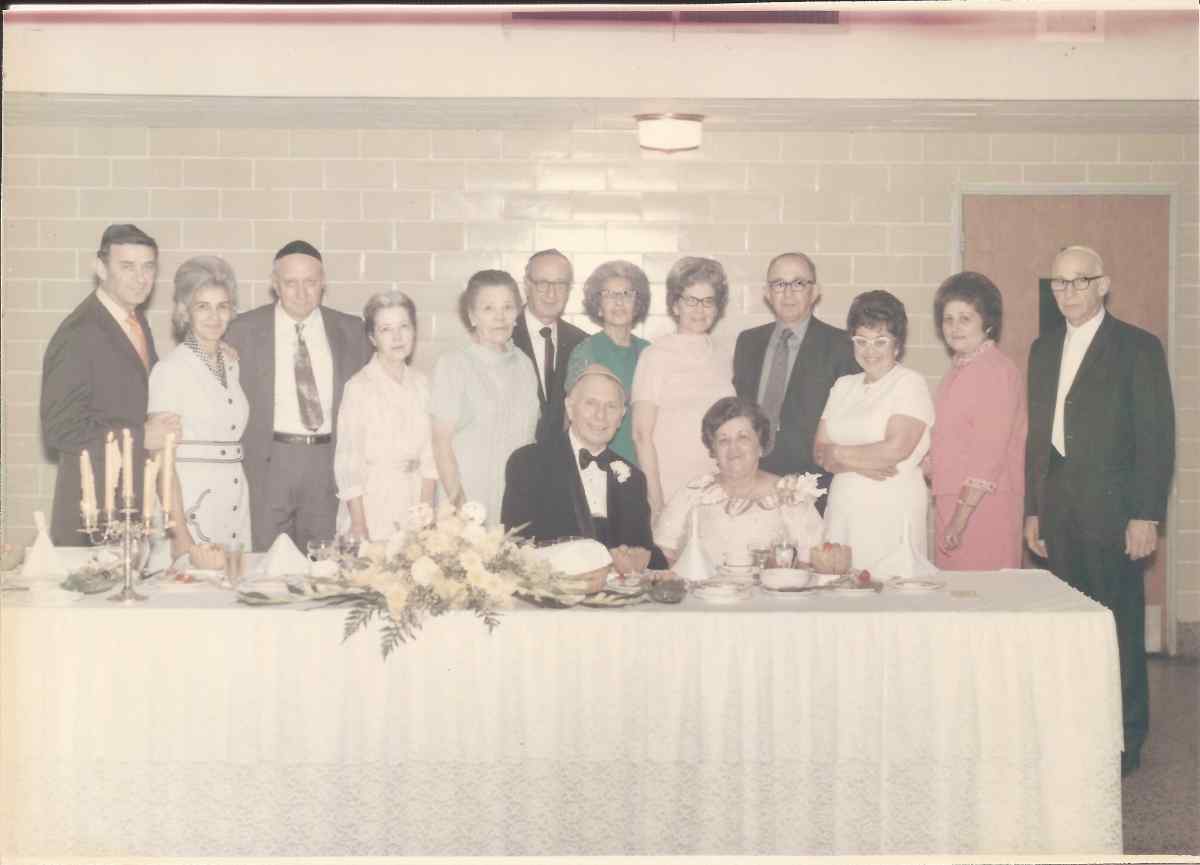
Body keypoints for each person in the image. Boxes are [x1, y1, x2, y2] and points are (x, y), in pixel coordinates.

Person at [1025, 245, 1175, 777]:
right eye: (1059, 283)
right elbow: (1036, 441)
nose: (1068, 293)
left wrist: (1145, 515)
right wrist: (1033, 510)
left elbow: (1157, 440)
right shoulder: (1043, 351)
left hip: (1115, 516)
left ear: (1103, 284)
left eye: (1079, 281)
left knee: (1119, 628)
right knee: (1070, 630)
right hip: (1059, 515)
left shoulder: (1137, 348)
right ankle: (1076, 730)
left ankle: (1126, 739)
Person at [224, 240, 370, 552]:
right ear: (274, 284)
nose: (301, 293)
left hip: (327, 463)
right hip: (269, 462)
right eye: (290, 283)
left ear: (324, 284)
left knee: (325, 566)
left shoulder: (352, 331)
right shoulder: (242, 330)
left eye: (311, 282)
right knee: (266, 565)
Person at [41, 223, 181, 545]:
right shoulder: (79, 332)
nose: (140, 278)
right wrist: (141, 436)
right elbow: (60, 429)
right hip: (91, 513)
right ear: (101, 268)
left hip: (129, 502)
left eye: (148, 267)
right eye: (127, 266)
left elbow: (142, 390)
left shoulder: (133, 319)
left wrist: (210, 350)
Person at [502, 364, 667, 573]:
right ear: (570, 408)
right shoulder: (528, 463)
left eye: (611, 406)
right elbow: (516, 547)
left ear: (622, 416)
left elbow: (644, 552)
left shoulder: (633, 478)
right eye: (591, 403)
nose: (601, 416)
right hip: (553, 597)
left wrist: (644, 559)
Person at [814, 290, 935, 572]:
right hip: (843, 510)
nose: (870, 350)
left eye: (881, 341)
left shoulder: (909, 384)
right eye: (861, 341)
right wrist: (860, 459)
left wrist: (840, 455)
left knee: (891, 601)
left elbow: (894, 451)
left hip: (890, 511)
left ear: (898, 344)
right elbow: (819, 452)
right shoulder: (843, 386)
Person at [732, 252, 859, 513]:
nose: (787, 293)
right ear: (767, 292)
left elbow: (851, 423)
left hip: (815, 489)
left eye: (798, 283)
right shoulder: (747, 342)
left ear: (815, 292)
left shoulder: (841, 346)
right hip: (752, 484)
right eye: (779, 284)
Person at [148, 256, 251, 555]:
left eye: (222, 306)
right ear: (184, 311)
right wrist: (180, 535)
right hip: (191, 508)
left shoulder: (230, 363)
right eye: (202, 306)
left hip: (234, 502)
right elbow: (162, 463)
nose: (214, 316)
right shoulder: (170, 370)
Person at [927, 272, 1027, 569]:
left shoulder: (996, 371)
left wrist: (959, 519)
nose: (954, 328)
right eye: (948, 319)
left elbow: (988, 455)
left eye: (965, 318)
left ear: (987, 322)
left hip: (983, 508)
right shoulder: (958, 369)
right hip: (953, 503)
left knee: (983, 603)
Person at [654, 397, 825, 568]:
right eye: (723, 440)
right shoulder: (693, 493)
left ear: (760, 445)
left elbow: (813, 559)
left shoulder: (789, 494)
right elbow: (663, 555)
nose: (733, 449)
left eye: (743, 438)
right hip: (703, 593)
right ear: (713, 450)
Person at [430, 270, 540, 526]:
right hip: (467, 505)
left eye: (508, 307)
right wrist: (462, 508)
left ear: (517, 313)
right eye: (488, 308)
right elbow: (440, 444)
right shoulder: (453, 365)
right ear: (472, 315)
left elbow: (529, 440)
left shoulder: (524, 365)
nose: (500, 317)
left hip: (515, 503)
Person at [631, 256, 735, 517]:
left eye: (708, 301)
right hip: (670, 487)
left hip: (717, 488)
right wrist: (656, 502)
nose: (699, 309)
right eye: (691, 300)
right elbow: (641, 435)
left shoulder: (724, 357)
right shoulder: (655, 355)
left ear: (717, 307)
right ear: (676, 306)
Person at [334, 291, 437, 542]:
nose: (397, 337)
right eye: (386, 329)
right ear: (372, 337)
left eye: (404, 326)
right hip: (374, 501)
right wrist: (359, 525)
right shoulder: (358, 386)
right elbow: (348, 464)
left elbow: (430, 456)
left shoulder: (424, 384)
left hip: (415, 499)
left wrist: (425, 512)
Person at [563, 260, 652, 465]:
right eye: (609, 295)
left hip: (640, 463)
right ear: (599, 306)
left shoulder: (649, 352)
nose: (618, 302)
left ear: (637, 305)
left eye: (626, 295)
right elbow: (571, 417)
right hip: (596, 462)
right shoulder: (585, 351)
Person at [512, 249, 588, 443]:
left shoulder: (583, 343)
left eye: (560, 284)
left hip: (563, 465)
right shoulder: (502, 336)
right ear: (527, 285)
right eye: (542, 283)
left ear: (569, 289)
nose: (551, 293)